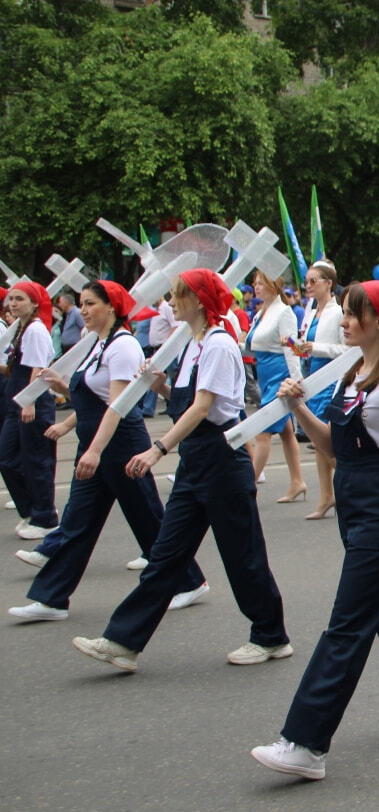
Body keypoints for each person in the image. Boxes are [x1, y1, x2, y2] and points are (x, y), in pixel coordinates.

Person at [251, 281, 379, 781]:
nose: (342, 321)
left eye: (352, 314)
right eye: (342, 312)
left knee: (347, 624)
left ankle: (304, 742)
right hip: (353, 499)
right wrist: (297, 408)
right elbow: (336, 449)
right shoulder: (350, 371)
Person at [71, 268, 290, 672]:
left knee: (243, 557)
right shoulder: (193, 343)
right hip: (196, 462)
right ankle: (122, 641)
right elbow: (186, 400)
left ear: (199, 299)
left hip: (223, 459)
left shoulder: (220, 344)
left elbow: (204, 408)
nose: (171, 302)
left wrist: (157, 449)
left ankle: (270, 636)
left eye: (178, 295)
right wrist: (159, 386)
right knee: (165, 556)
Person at [8, 281, 207, 622]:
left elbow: (116, 406)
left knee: (149, 519)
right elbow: (90, 400)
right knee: (77, 524)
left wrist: (94, 451)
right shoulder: (97, 344)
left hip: (120, 446)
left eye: (90, 304)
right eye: (81, 304)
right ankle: (51, 598)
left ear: (111, 308)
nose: (83, 310)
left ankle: (189, 581)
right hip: (98, 445)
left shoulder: (124, 347)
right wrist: (62, 395)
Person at [0, 282, 60, 540]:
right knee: (8, 456)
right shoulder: (21, 328)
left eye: (20, 299)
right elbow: (16, 367)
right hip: (18, 400)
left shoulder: (35, 329)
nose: (13, 304)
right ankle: (32, 509)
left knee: (36, 460)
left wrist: (30, 402)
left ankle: (45, 516)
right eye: (11, 299)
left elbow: (37, 368)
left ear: (35, 303)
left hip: (31, 403)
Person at [244, 271, 306, 501]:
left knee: (263, 432)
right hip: (265, 373)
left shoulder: (284, 311)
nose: (256, 287)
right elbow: (252, 346)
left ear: (273, 285)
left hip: (280, 375)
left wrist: (297, 380)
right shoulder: (262, 312)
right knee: (286, 431)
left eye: (261, 283)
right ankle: (297, 480)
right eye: (255, 283)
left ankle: (247, 488)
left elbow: (292, 348)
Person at [296, 259, 346, 520]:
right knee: (317, 442)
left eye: (313, 281)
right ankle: (326, 495)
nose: (308, 286)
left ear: (329, 283)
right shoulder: (310, 310)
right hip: (312, 374)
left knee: (327, 441)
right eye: (306, 282)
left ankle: (350, 482)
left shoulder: (338, 313)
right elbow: (306, 343)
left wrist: (317, 348)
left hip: (331, 376)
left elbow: (348, 350)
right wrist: (296, 345)